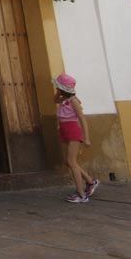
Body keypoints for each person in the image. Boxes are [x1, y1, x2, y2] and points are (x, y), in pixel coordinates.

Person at [54, 73, 99, 203]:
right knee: (68, 162)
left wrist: (87, 138)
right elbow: (54, 100)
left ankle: (81, 194)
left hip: (73, 130)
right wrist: (59, 91)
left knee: (71, 162)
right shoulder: (63, 99)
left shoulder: (74, 101)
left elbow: (82, 119)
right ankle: (91, 182)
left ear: (63, 88)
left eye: (58, 87)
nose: (57, 89)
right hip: (64, 130)